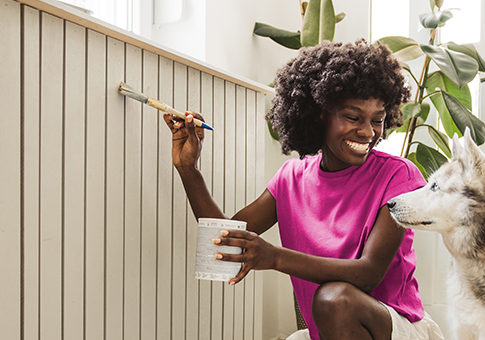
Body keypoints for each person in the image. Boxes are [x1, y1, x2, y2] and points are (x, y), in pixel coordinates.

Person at [165, 39, 443, 340]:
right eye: (353, 117)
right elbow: (226, 242)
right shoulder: (291, 178)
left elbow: (368, 273)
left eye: (377, 120)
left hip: (393, 328)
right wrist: (188, 169)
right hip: (331, 330)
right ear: (319, 112)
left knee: (335, 299)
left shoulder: (396, 175)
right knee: (330, 305)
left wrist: (274, 258)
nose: (367, 132)